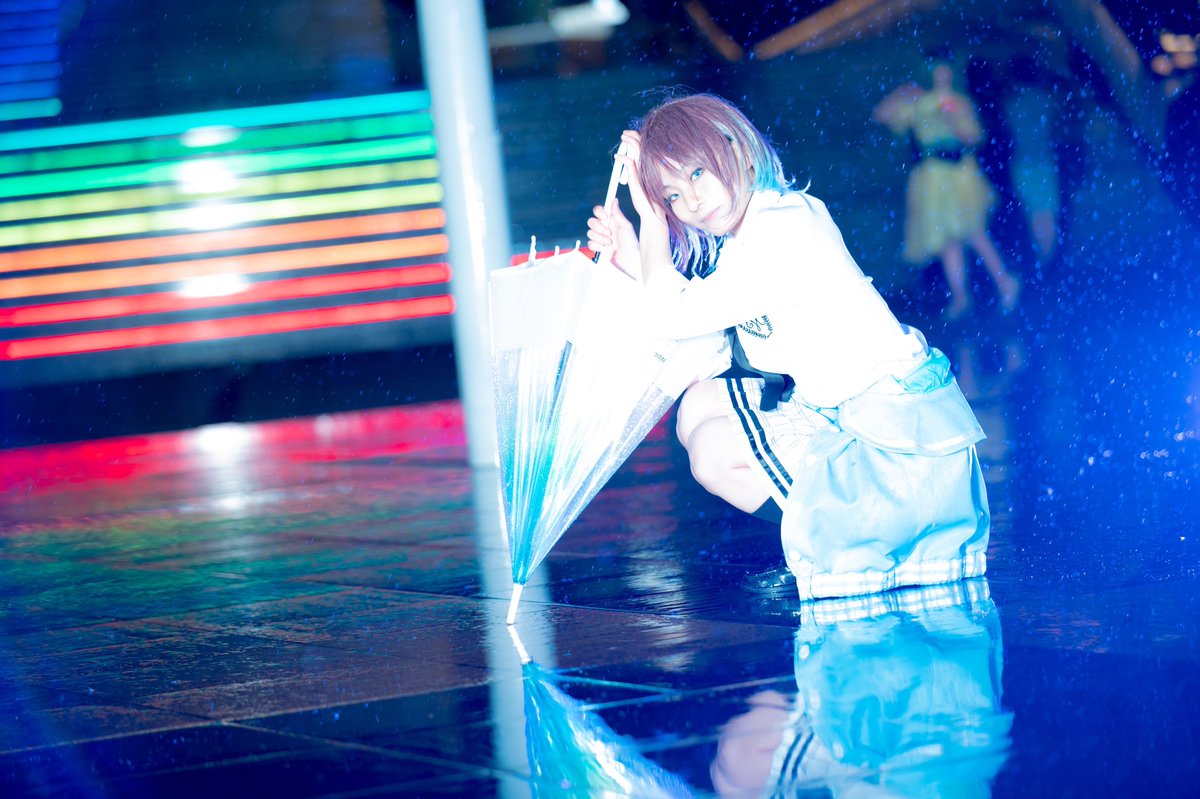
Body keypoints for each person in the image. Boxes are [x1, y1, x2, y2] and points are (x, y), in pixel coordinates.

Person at [586, 93, 990, 601]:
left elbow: (675, 318)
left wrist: (651, 220)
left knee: (712, 450)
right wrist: (632, 257)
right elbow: (706, 350)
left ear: (737, 149)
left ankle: (839, 544)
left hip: (901, 454)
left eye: (697, 173)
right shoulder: (754, 232)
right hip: (861, 424)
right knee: (700, 406)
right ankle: (830, 535)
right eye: (671, 196)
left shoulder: (783, 225)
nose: (691, 202)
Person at [872, 56, 1022, 320]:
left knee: (973, 231)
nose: (942, 81)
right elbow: (881, 115)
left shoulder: (959, 102)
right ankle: (961, 297)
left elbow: (974, 137)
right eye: (937, 75)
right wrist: (903, 92)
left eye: (946, 75)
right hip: (931, 176)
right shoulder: (918, 103)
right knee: (946, 238)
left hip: (958, 174)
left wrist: (952, 118)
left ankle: (1005, 282)